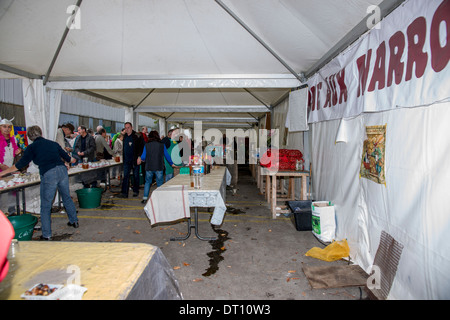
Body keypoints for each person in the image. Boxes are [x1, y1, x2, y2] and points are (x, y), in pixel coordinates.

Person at [0, 125, 79, 240]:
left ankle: (47, 234)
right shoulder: (53, 143)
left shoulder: (32, 147)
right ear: (41, 133)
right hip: (62, 171)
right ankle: (74, 221)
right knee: (66, 197)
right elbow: (69, 158)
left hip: (49, 173)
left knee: (46, 205)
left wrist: (2, 173)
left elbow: (19, 165)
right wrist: (72, 160)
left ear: (30, 137)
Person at [137, 130, 175, 203]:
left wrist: (143, 159)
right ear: (157, 136)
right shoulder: (162, 145)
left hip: (149, 167)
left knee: (147, 182)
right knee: (159, 183)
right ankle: (160, 199)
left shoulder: (147, 145)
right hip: (159, 167)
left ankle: (145, 198)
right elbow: (167, 155)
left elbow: (143, 157)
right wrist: (171, 163)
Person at [117, 122, 144, 198]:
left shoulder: (137, 136)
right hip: (126, 160)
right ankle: (124, 193)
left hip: (135, 160)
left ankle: (136, 191)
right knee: (125, 176)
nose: (127, 129)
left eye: (128, 127)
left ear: (131, 127)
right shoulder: (124, 136)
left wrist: (139, 157)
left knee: (135, 176)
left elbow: (142, 147)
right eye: (125, 128)